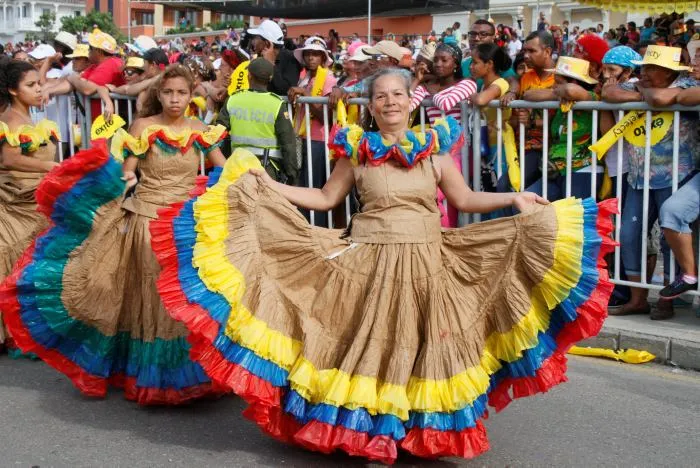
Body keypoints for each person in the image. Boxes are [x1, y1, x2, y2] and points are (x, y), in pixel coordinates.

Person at [150, 67, 614, 463]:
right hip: (368, 260)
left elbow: (464, 199)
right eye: (379, 96)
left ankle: (415, 431)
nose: (389, 102)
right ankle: (371, 432)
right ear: (369, 105)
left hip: (427, 260)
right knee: (374, 347)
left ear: (411, 102)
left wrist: (513, 197)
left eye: (397, 94)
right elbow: (325, 198)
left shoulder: (434, 149)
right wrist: (266, 186)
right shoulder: (356, 150)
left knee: (420, 346)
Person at [0, 64, 229, 403]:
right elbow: (128, 174)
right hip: (147, 223)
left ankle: (188, 371)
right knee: (153, 297)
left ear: (192, 93)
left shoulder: (200, 129)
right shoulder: (141, 127)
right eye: (168, 92)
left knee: (185, 296)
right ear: (158, 94)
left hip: (186, 225)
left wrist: (243, 189)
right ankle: (155, 376)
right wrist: (99, 193)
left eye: (182, 92)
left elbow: (223, 169)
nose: (175, 99)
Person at [603, 46, 700, 320]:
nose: (643, 73)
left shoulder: (687, 84)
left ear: (669, 71)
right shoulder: (639, 86)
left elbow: (659, 97)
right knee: (629, 235)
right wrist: (640, 95)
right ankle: (638, 299)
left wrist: (648, 96)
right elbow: (608, 93)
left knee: (669, 238)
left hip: (676, 177)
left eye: (650, 68)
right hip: (638, 177)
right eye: (642, 68)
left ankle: (667, 301)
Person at [0, 57, 59, 353]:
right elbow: (9, 160)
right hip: (16, 200)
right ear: (13, 90)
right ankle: (16, 332)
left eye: (39, 84)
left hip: (36, 198)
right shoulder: (10, 121)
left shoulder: (28, 120)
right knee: (16, 258)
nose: (39, 90)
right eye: (31, 85)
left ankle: (29, 328)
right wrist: (51, 167)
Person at [410, 42, 477, 227]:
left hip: (458, 149)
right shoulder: (425, 86)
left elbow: (445, 104)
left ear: (455, 63)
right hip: (435, 148)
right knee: (434, 195)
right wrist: (417, 80)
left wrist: (430, 89)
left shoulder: (467, 84)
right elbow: (407, 105)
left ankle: (450, 234)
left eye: (444, 60)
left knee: (447, 195)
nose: (438, 64)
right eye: (436, 60)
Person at [524, 56, 602, 201]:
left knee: (574, 218)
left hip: (582, 170)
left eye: (558, 82)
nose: (553, 85)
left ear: (574, 81)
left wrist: (562, 92)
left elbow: (571, 90)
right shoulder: (561, 100)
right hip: (556, 171)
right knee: (526, 202)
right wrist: (558, 94)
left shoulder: (591, 98)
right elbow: (528, 94)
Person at [217, 58, 298, 184]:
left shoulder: (233, 100)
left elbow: (218, 134)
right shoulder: (276, 104)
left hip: (236, 167)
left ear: (249, 76)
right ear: (270, 79)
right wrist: (292, 175)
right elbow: (288, 144)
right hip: (266, 169)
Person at [288, 36, 337, 227]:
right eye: (307, 54)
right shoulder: (304, 79)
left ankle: (318, 229)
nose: (310, 58)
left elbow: (326, 117)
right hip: (303, 138)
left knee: (315, 188)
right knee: (304, 186)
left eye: (316, 54)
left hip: (319, 140)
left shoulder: (329, 79)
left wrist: (307, 96)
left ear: (323, 58)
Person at [247, 20, 301, 95]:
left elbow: (287, 91)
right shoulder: (259, 57)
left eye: (255, 38)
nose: (252, 42)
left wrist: (271, 64)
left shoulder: (291, 59)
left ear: (267, 43)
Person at [81, 30, 124, 120]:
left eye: (90, 48)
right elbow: (80, 82)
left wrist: (72, 78)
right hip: (96, 121)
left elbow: (87, 89)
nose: (88, 50)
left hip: (106, 124)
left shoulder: (110, 64)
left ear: (99, 51)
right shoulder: (96, 65)